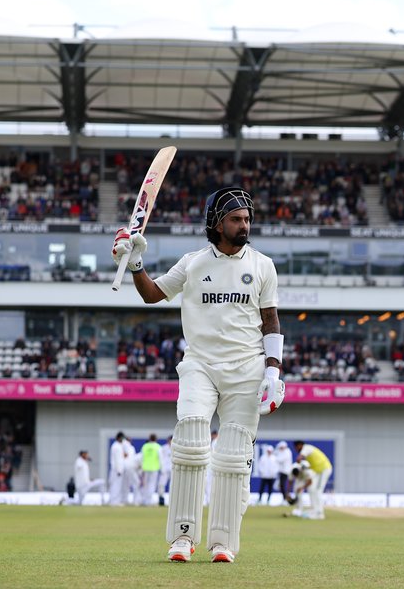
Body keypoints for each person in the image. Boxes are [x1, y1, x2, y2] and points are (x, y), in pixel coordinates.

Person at [112, 186, 285, 564]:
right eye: (236, 219)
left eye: (247, 219)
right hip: (200, 364)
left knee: (234, 456)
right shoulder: (192, 263)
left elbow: (270, 321)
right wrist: (136, 263)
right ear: (216, 222)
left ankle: (222, 543)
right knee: (191, 437)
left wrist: (273, 370)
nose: (244, 225)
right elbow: (152, 295)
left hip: (247, 368)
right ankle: (182, 538)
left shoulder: (263, 265)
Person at [293, 441, 333, 520]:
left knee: (318, 491)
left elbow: (299, 458)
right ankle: (315, 510)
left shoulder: (306, 448)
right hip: (317, 471)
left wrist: (299, 463)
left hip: (324, 469)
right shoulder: (307, 453)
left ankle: (319, 513)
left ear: (300, 445)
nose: (296, 449)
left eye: (296, 447)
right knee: (311, 489)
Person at [140, 434, 162, 506]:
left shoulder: (145, 446)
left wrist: (141, 467)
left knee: (145, 485)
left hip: (146, 468)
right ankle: (149, 500)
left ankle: (145, 500)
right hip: (154, 468)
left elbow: (141, 457)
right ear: (156, 439)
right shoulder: (158, 447)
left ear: (149, 439)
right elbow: (161, 458)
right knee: (152, 485)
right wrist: (162, 468)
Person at [109, 432, 128, 506]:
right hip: (117, 469)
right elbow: (117, 460)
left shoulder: (119, 446)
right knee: (116, 485)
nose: (123, 439)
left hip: (118, 469)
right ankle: (114, 501)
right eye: (122, 438)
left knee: (118, 485)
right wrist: (119, 470)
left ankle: (115, 500)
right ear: (118, 438)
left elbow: (120, 458)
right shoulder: (116, 446)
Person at [157, 435, 172, 506]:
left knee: (173, 486)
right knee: (161, 484)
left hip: (173, 469)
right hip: (165, 469)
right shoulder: (163, 448)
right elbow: (160, 459)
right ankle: (161, 499)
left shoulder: (177, 448)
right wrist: (162, 468)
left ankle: (172, 500)